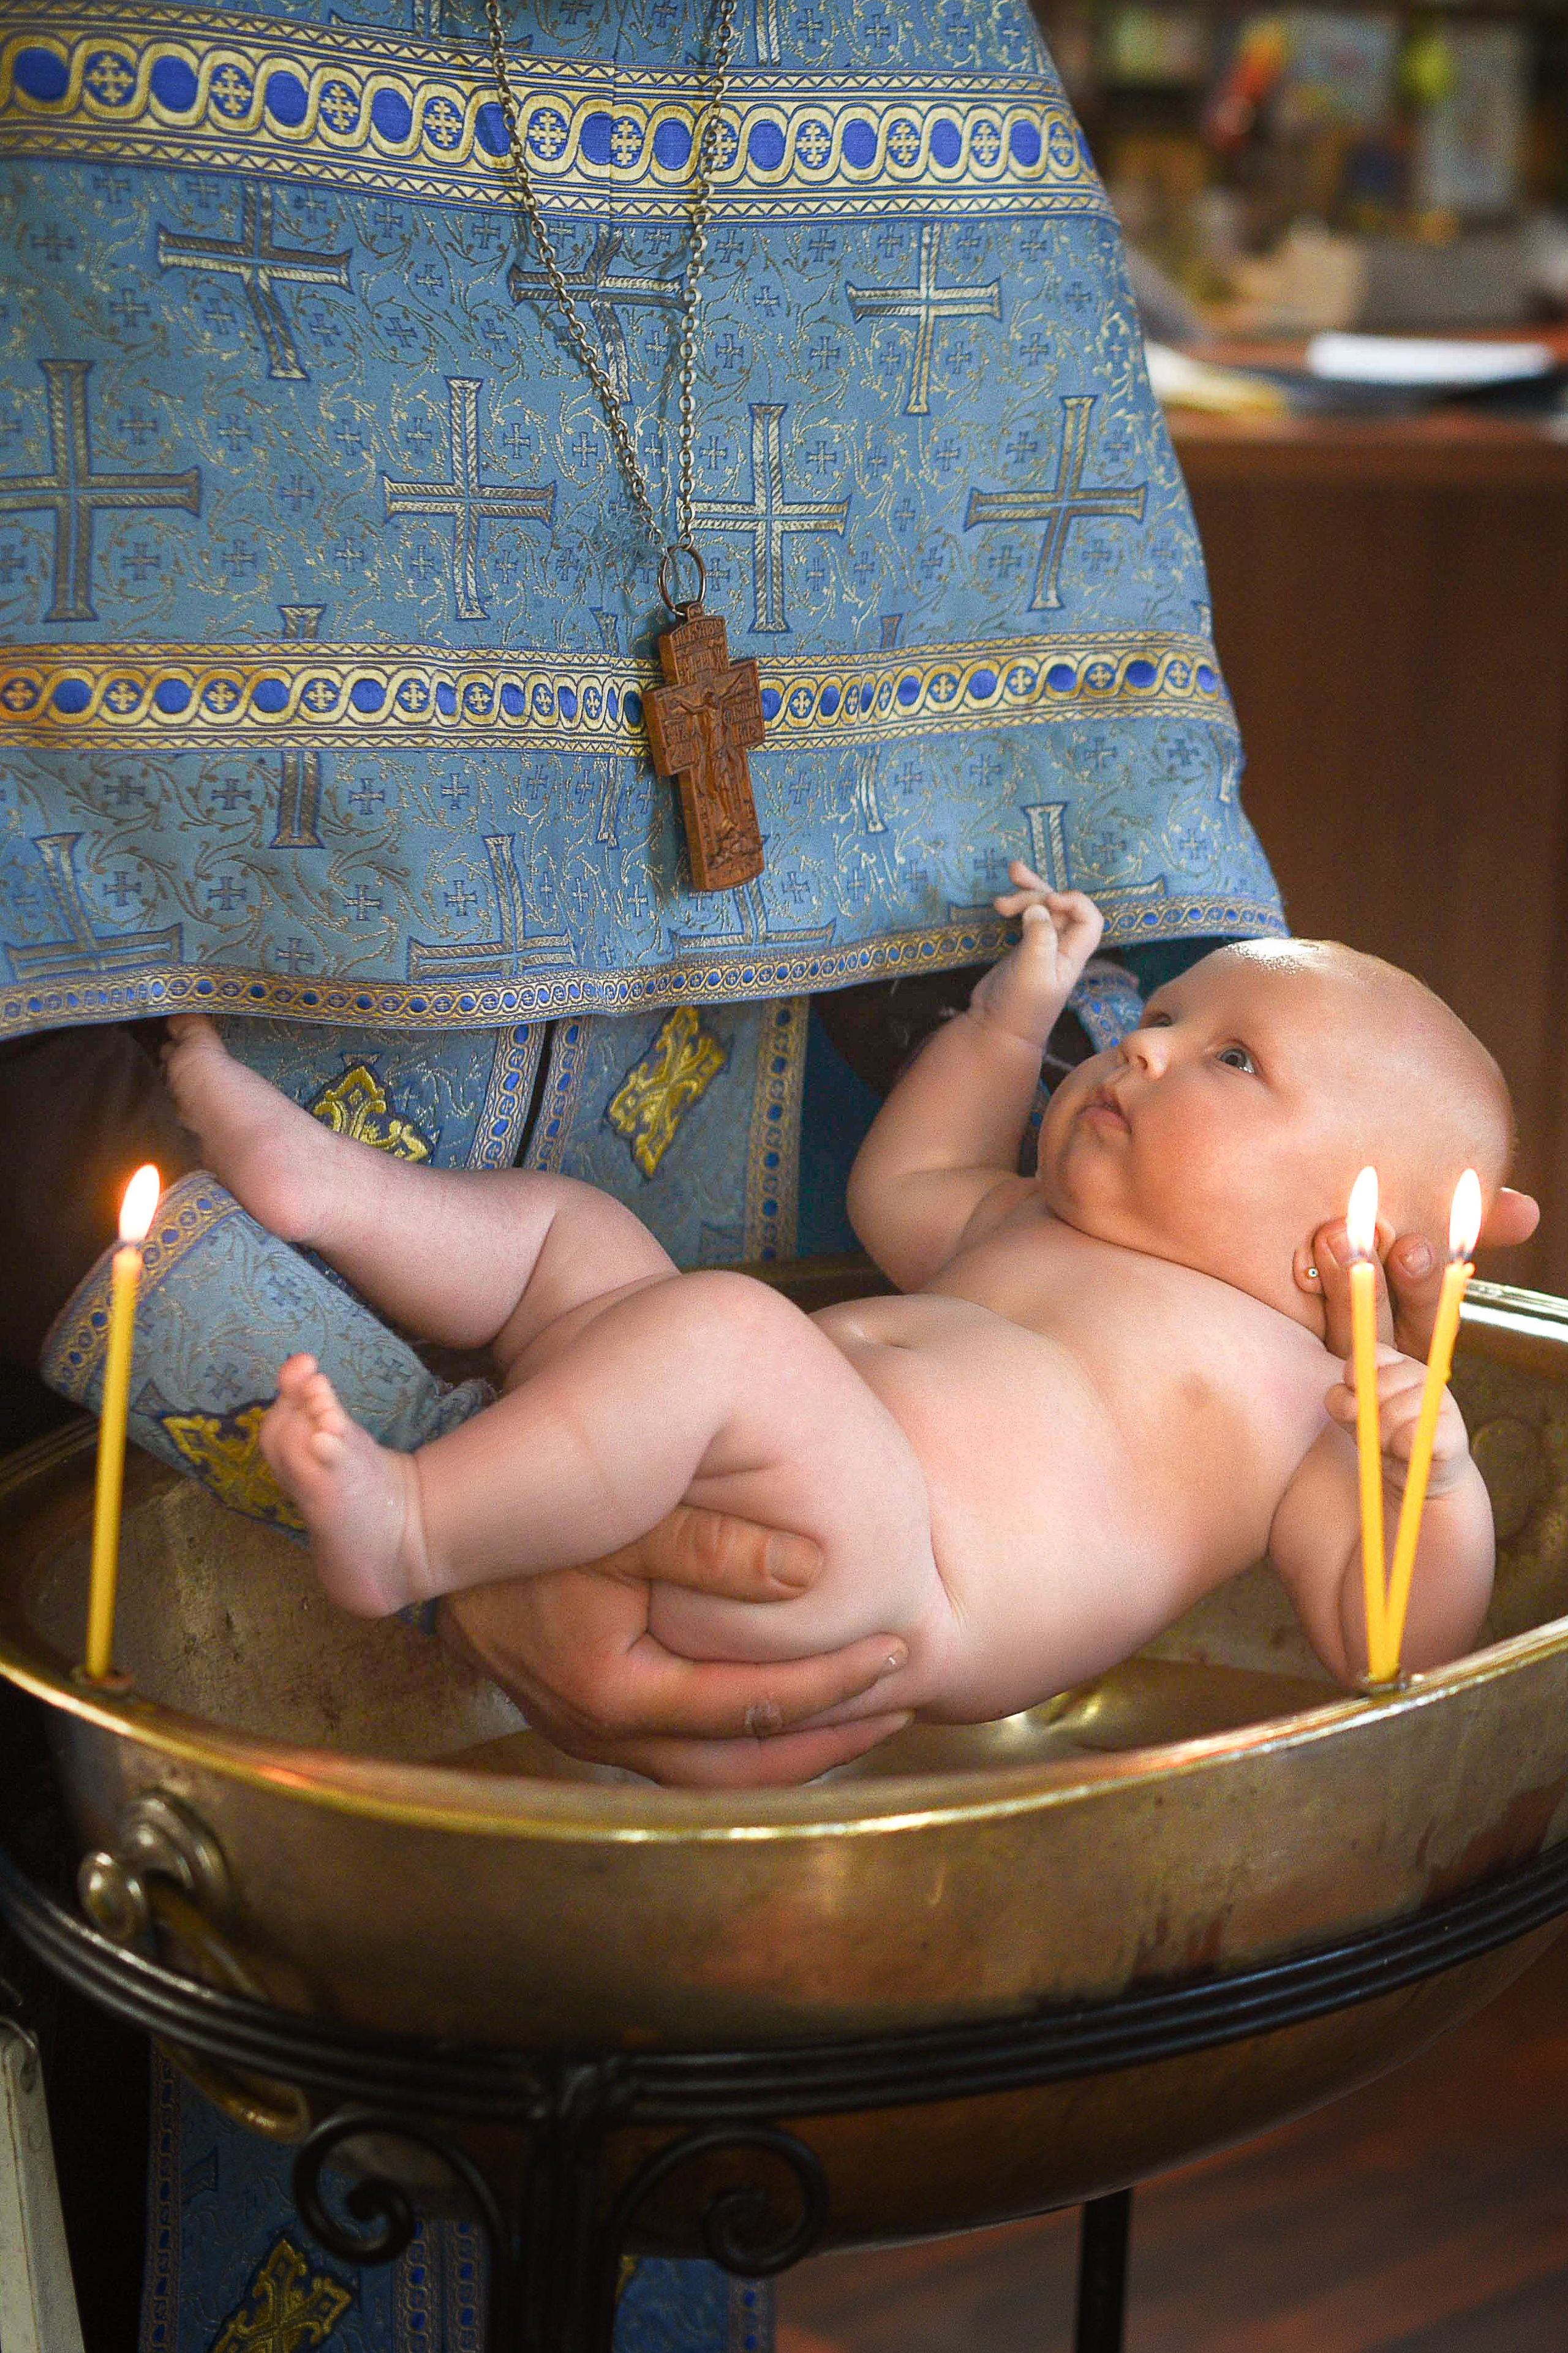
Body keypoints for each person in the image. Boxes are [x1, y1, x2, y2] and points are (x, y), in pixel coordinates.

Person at [164, 860, 1513, 1770]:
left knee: (726, 1328)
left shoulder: (1303, 1396)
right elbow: (901, 1181)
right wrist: (1010, 1010)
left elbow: (1377, 1641)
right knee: (581, 1241)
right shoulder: (1025, 1221)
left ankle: (412, 1529)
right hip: (726, 1459)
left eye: (1231, 1059)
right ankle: (324, 1186)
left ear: (1341, 1234)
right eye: (1155, 1013)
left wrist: (1434, 1479)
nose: (1140, 1046)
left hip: (880, 1578)